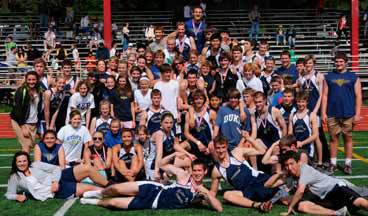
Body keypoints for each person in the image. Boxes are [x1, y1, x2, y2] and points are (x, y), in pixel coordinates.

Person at [81, 159, 223, 212]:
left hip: (152, 203)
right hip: (152, 188)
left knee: (114, 203)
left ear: (205, 172)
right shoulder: (183, 175)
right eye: (195, 170)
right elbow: (161, 164)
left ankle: (95, 201)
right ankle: (98, 193)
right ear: (191, 169)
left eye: (200, 171)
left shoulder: (202, 191)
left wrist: (205, 194)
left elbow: (219, 208)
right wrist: (175, 155)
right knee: (116, 188)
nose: (197, 173)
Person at [210, 135, 287, 212]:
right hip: (247, 192)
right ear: (214, 148)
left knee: (283, 199)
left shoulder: (237, 152)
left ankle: (283, 188)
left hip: (259, 180)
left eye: (223, 147)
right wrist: (205, 197)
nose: (221, 151)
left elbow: (261, 151)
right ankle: (259, 205)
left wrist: (248, 138)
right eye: (218, 148)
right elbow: (213, 192)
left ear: (227, 146)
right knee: (227, 195)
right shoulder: (216, 170)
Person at [281, 150, 368, 215]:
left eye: (291, 164)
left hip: (336, 189)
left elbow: (300, 191)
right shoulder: (291, 176)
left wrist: (290, 207)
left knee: (361, 203)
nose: (289, 167)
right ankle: (336, 213)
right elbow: (270, 184)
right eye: (286, 165)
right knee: (301, 206)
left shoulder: (305, 169)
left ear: (299, 162)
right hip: (325, 199)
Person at [5, 151, 109, 202]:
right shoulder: (14, 177)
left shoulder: (35, 165)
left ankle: (110, 184)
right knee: (89, 188)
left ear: (28, 161)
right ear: (15, 163)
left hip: (59, 178)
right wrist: (17, 196)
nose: (22, 163)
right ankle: (114, 191)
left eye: (24, 161)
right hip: (56, 191)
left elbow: (56, 168)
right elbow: (9, 194)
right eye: (19, 161)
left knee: (87, 168)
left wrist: (55, 181)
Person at [321, 52, 362, 175]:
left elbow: (358, 96)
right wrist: (323, 112)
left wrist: (358, 113)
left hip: (348, 113)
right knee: (333, 139)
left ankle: (348, 164)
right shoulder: (328, 77)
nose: (338, 64)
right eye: (337, 61)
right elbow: (324, 96)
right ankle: (333, 163)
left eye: (341, 62)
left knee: (347, 138)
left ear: (346, 63)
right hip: (332, 113)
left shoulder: (354, 77)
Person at [10, 71, 42, 153]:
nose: (31, 82)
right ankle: (24, 165)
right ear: (26, 80)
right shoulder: (21, 91)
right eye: (29, 79)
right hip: (21, 122)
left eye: (33, 79)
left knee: (29, 146)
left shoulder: (39, 90)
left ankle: (20, 164)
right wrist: (23, 127)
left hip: (33, 122)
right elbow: (17, 109)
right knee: (26, 146)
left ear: (37, 80)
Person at [182, 89, 216, 166]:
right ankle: (187, 168)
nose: (199, 101)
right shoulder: (189, 114)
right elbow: (186, 133)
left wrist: (212, 143)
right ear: (193, 100)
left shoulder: (211, 113)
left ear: (204, 100)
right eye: (196, 99)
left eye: (201, 99)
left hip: (208, 142)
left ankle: (219, 167)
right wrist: (198, 143)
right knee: (180, 148)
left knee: (217, 148)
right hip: (195, 142)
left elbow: (217, 131)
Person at [288, 91, 318, 161]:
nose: (301, 104)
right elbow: (290, 133)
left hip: (308, 149)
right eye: (299, 102)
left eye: (303, 102)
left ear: (307, 102)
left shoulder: (311, 115)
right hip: (295, 147)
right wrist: (294, 143)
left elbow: (315, 135)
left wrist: (302, 143)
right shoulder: (292, 115)